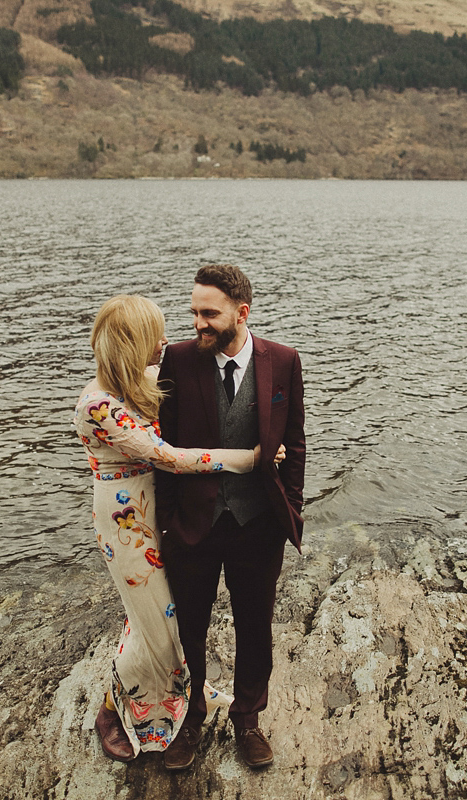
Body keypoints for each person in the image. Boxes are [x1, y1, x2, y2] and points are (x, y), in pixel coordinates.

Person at [73, 294, 280, 763]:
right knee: (156, 625)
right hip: (127, 524)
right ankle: (112, 709)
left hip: (160, 513)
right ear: (132, 343)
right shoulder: (98, 404)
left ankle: (175, 698)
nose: (167, 340)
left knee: (161, 618)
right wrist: (250, 458)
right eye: (155, 334)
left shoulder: (143, 379)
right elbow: (171, 457)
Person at [155, 264, 306, 771]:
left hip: (258, 523)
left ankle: (247, 719)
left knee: (254, 626)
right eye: (194, 311)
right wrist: (168, 521)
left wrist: (292, 506)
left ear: (242, 313)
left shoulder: (283, 361)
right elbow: (163, 448)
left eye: (209, 313)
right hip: (193, 526)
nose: (197, 322)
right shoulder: (177, 359)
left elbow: (297, 441)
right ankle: (191, 717)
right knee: (190, 628)